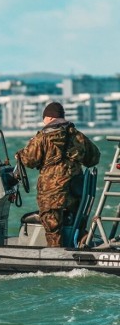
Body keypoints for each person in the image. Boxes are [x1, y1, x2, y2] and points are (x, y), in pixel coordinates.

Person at [16, 101, 100, 247]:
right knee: (75, 221)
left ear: (48, 118)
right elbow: (94, 158)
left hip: (51, 191)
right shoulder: (77, 136)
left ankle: (56, 257)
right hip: (75, 190)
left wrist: (20, 154)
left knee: (52, 227)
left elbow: (29, 160)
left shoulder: (42, 138)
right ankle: (81, 245)